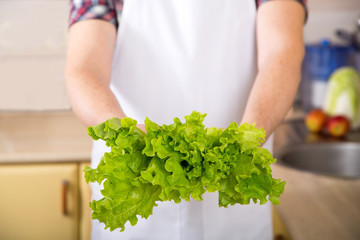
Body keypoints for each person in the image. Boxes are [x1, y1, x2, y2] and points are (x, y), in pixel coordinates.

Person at [65, 0, 306, 239]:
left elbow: (282, 53)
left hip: (232, 200)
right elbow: (85, 68)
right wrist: (125, 135)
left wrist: (246, 141)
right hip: (138, 188)